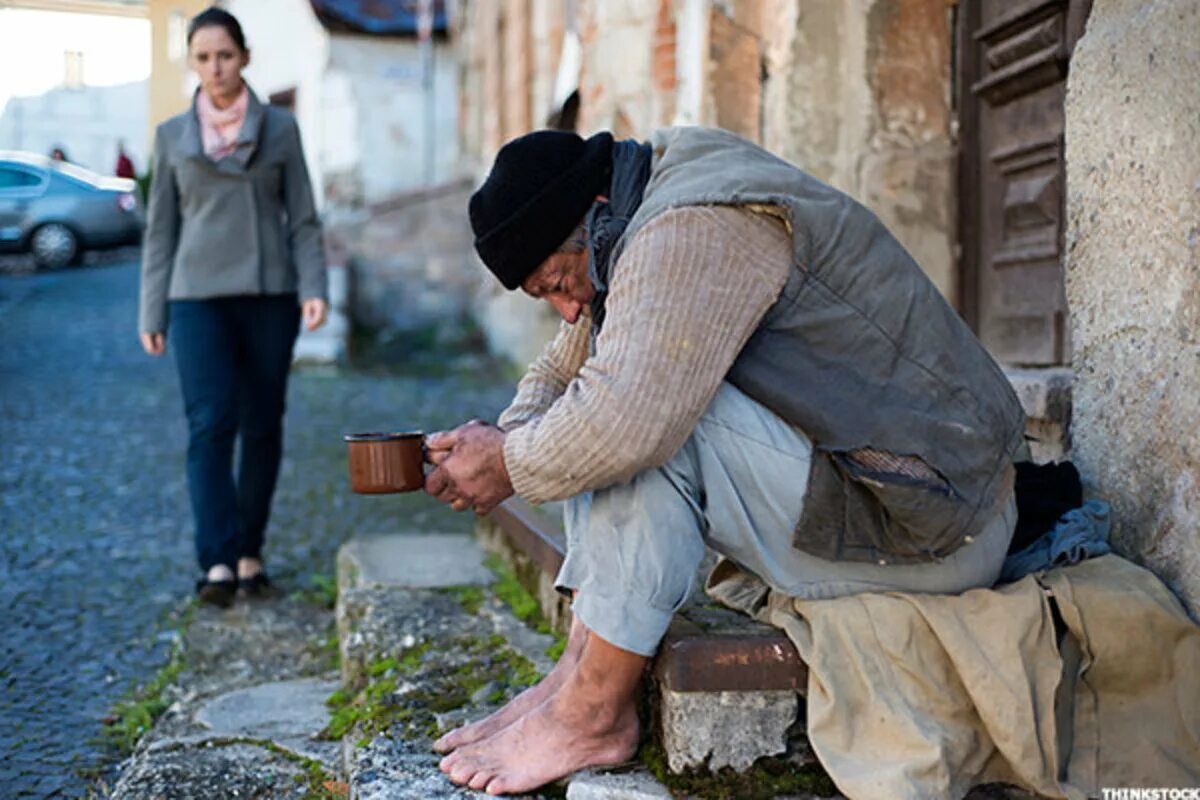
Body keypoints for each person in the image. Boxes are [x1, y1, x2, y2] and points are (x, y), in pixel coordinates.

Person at [423, 127, 1025, 794]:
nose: (568, 309)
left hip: (935, 532)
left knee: (642, 421)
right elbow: (563, 368)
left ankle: (594, 712)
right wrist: (502, 440)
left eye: (560, 283)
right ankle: (574, 680)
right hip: (914, 505)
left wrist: (507, 462)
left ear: (594, 210)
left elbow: (621, 422)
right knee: (609, 406)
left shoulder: (693, 226)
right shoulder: (641, 197)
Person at [138, 6, 327, 608]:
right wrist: (152, 311)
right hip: (195, 298)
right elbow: (159, 231)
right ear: (192, 63)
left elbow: (303, 217)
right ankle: (216, 559)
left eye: (224, 55)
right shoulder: (171, 136)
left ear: (244, 57)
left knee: (262, 423)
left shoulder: (279, 128)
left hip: (269, 294)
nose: (214, 68)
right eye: (202, 58)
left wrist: (313, 287)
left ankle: (250, 550)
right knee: (209, 423)